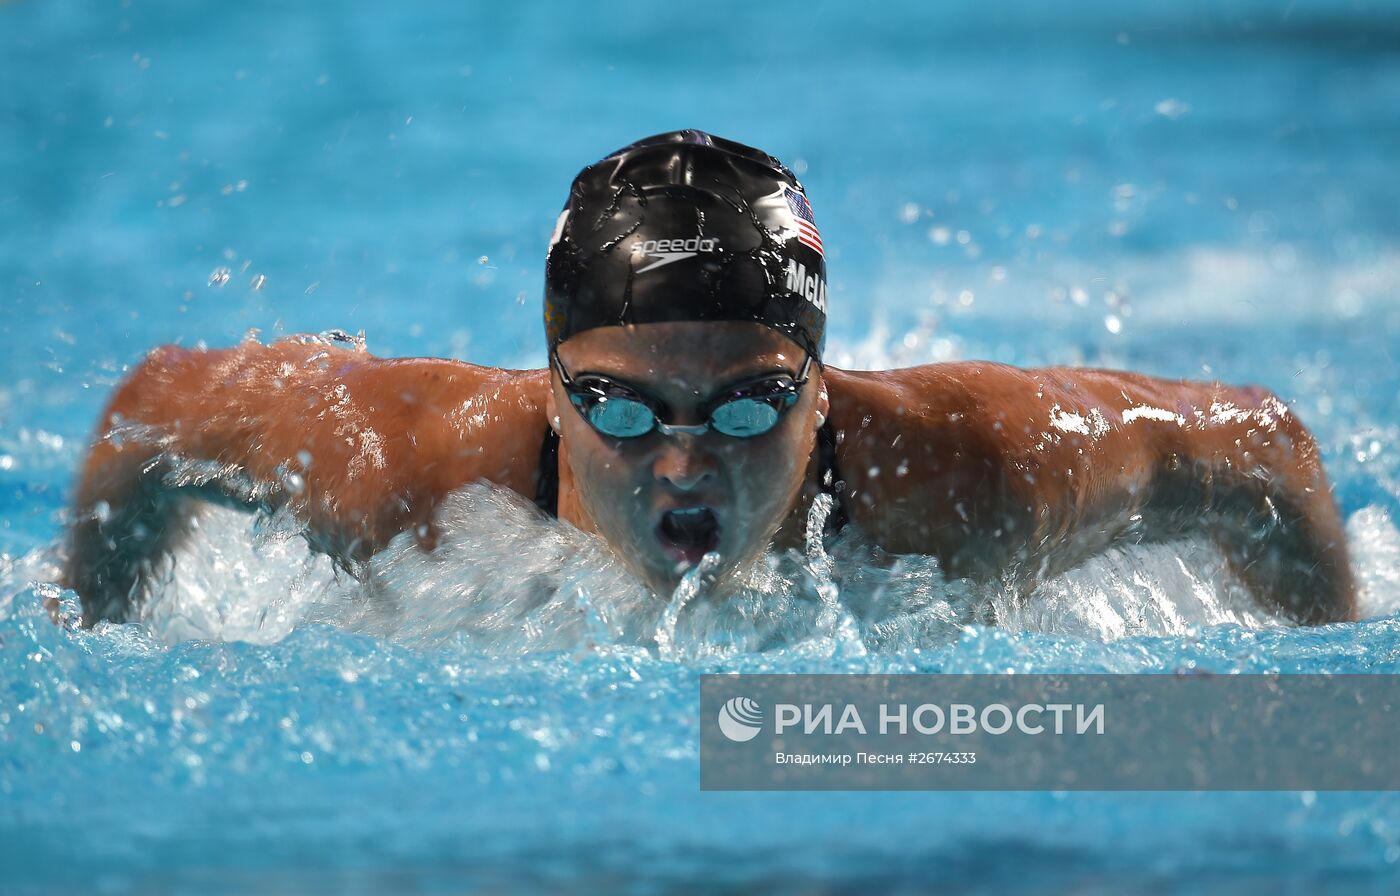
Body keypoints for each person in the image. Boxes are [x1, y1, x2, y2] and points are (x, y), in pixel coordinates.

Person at [62, 130, 1357, 627]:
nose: (683, 464)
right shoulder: (412, 477)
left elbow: (1267, 450)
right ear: (555, 383)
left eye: (747, 403)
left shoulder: (973, 479)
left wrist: (1334, 669)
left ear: (820, 389)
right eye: (619, 408)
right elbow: (148, 413)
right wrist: (95, 627)